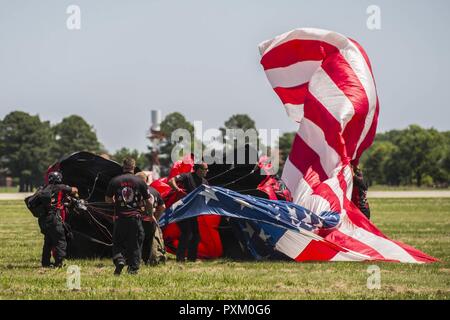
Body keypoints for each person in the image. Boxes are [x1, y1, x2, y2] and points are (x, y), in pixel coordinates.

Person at [105, 158, 155, 275]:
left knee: (118, 242)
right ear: (133, 167)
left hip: (120, 218)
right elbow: (149, 201)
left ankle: (119, 260)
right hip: (135, 218)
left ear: (123, 167)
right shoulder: (140, 182)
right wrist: (150, 214)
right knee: (135, 244)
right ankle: (133, 269)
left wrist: (115, 201)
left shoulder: (115, 181)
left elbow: (107, 199)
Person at [168, 162, 209, 262]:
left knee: (195, 235)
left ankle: (191, 259)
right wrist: (177, 189)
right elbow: (171, 181)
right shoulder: (186, 176)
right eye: (206, 169)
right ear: (199, 170)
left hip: (193, 213)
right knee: (187, 233)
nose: (207, 171)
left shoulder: (205, 182)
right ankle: (180, 259)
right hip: (182, 211)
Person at [39, 171, 78, 268]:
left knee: (48, 240)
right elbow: (74, 190)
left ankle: (45, 263)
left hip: (43, 219)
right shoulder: (61, 187)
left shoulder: (44, 188)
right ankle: (59, 263)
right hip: (54, 218)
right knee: (61, 240)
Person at [135, 172, 167, 265]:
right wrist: (156, 217)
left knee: (137, 241)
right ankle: (146, 261)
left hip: (138, 220)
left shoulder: (135, 190)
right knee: (148, 241)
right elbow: (163, 207)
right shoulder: (154, 191)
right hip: (150, 221)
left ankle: (137, 261)